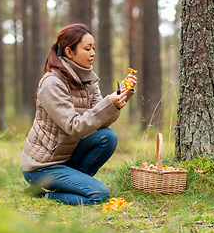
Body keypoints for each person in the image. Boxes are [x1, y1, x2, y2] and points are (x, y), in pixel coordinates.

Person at [21, 23, 137, 206]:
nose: (93, 53)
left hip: (66, 158)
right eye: (87, 48)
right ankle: (41, 195)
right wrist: (109, 102)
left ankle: (72, 184)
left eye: (94, 48)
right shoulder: (52, 83)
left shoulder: (89, 79)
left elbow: (101, 122)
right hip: (42, 167)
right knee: (99, 195)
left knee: (108, 137)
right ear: (69, 52)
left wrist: (121, 95)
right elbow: (74, 127)